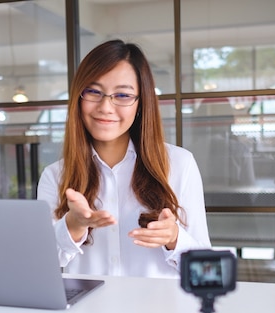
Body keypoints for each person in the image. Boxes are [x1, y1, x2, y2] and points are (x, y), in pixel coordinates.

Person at [37, 39, 211, 278]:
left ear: (140, 103)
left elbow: (204, 267)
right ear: (78, 97)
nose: (106, 107)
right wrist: (74, 225)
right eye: (93, 92)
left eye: (122, 95)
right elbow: (45, 261)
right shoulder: (55, 175)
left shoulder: (180, 164)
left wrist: (174, 238)